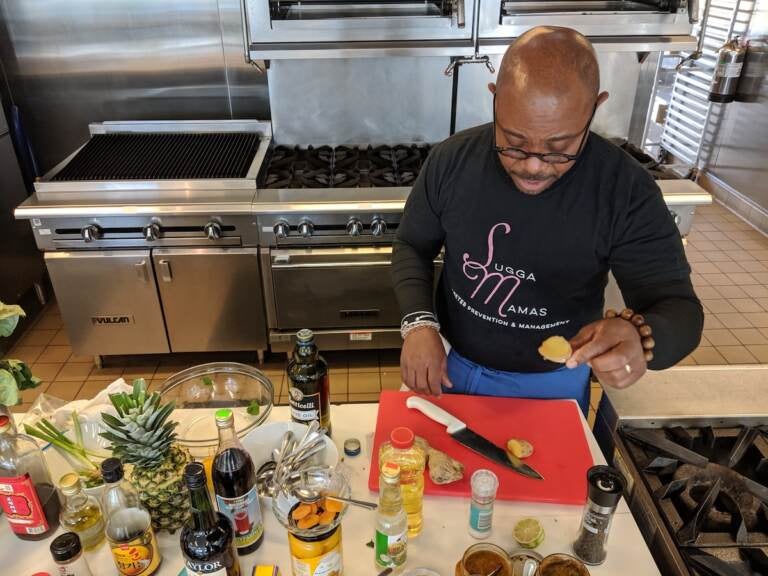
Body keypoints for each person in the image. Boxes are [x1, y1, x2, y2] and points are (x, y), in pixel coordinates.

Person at [391, 26, 703, 415]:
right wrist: (419, 325)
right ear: (495, 98)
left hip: (551, 382)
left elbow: (680, 308)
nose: (534, 166)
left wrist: (641, 338)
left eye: (559, 148)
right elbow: (412, 245)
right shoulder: (453, 160)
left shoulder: (625, 190)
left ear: (595, 107)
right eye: (515, 142)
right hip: (447, 361)